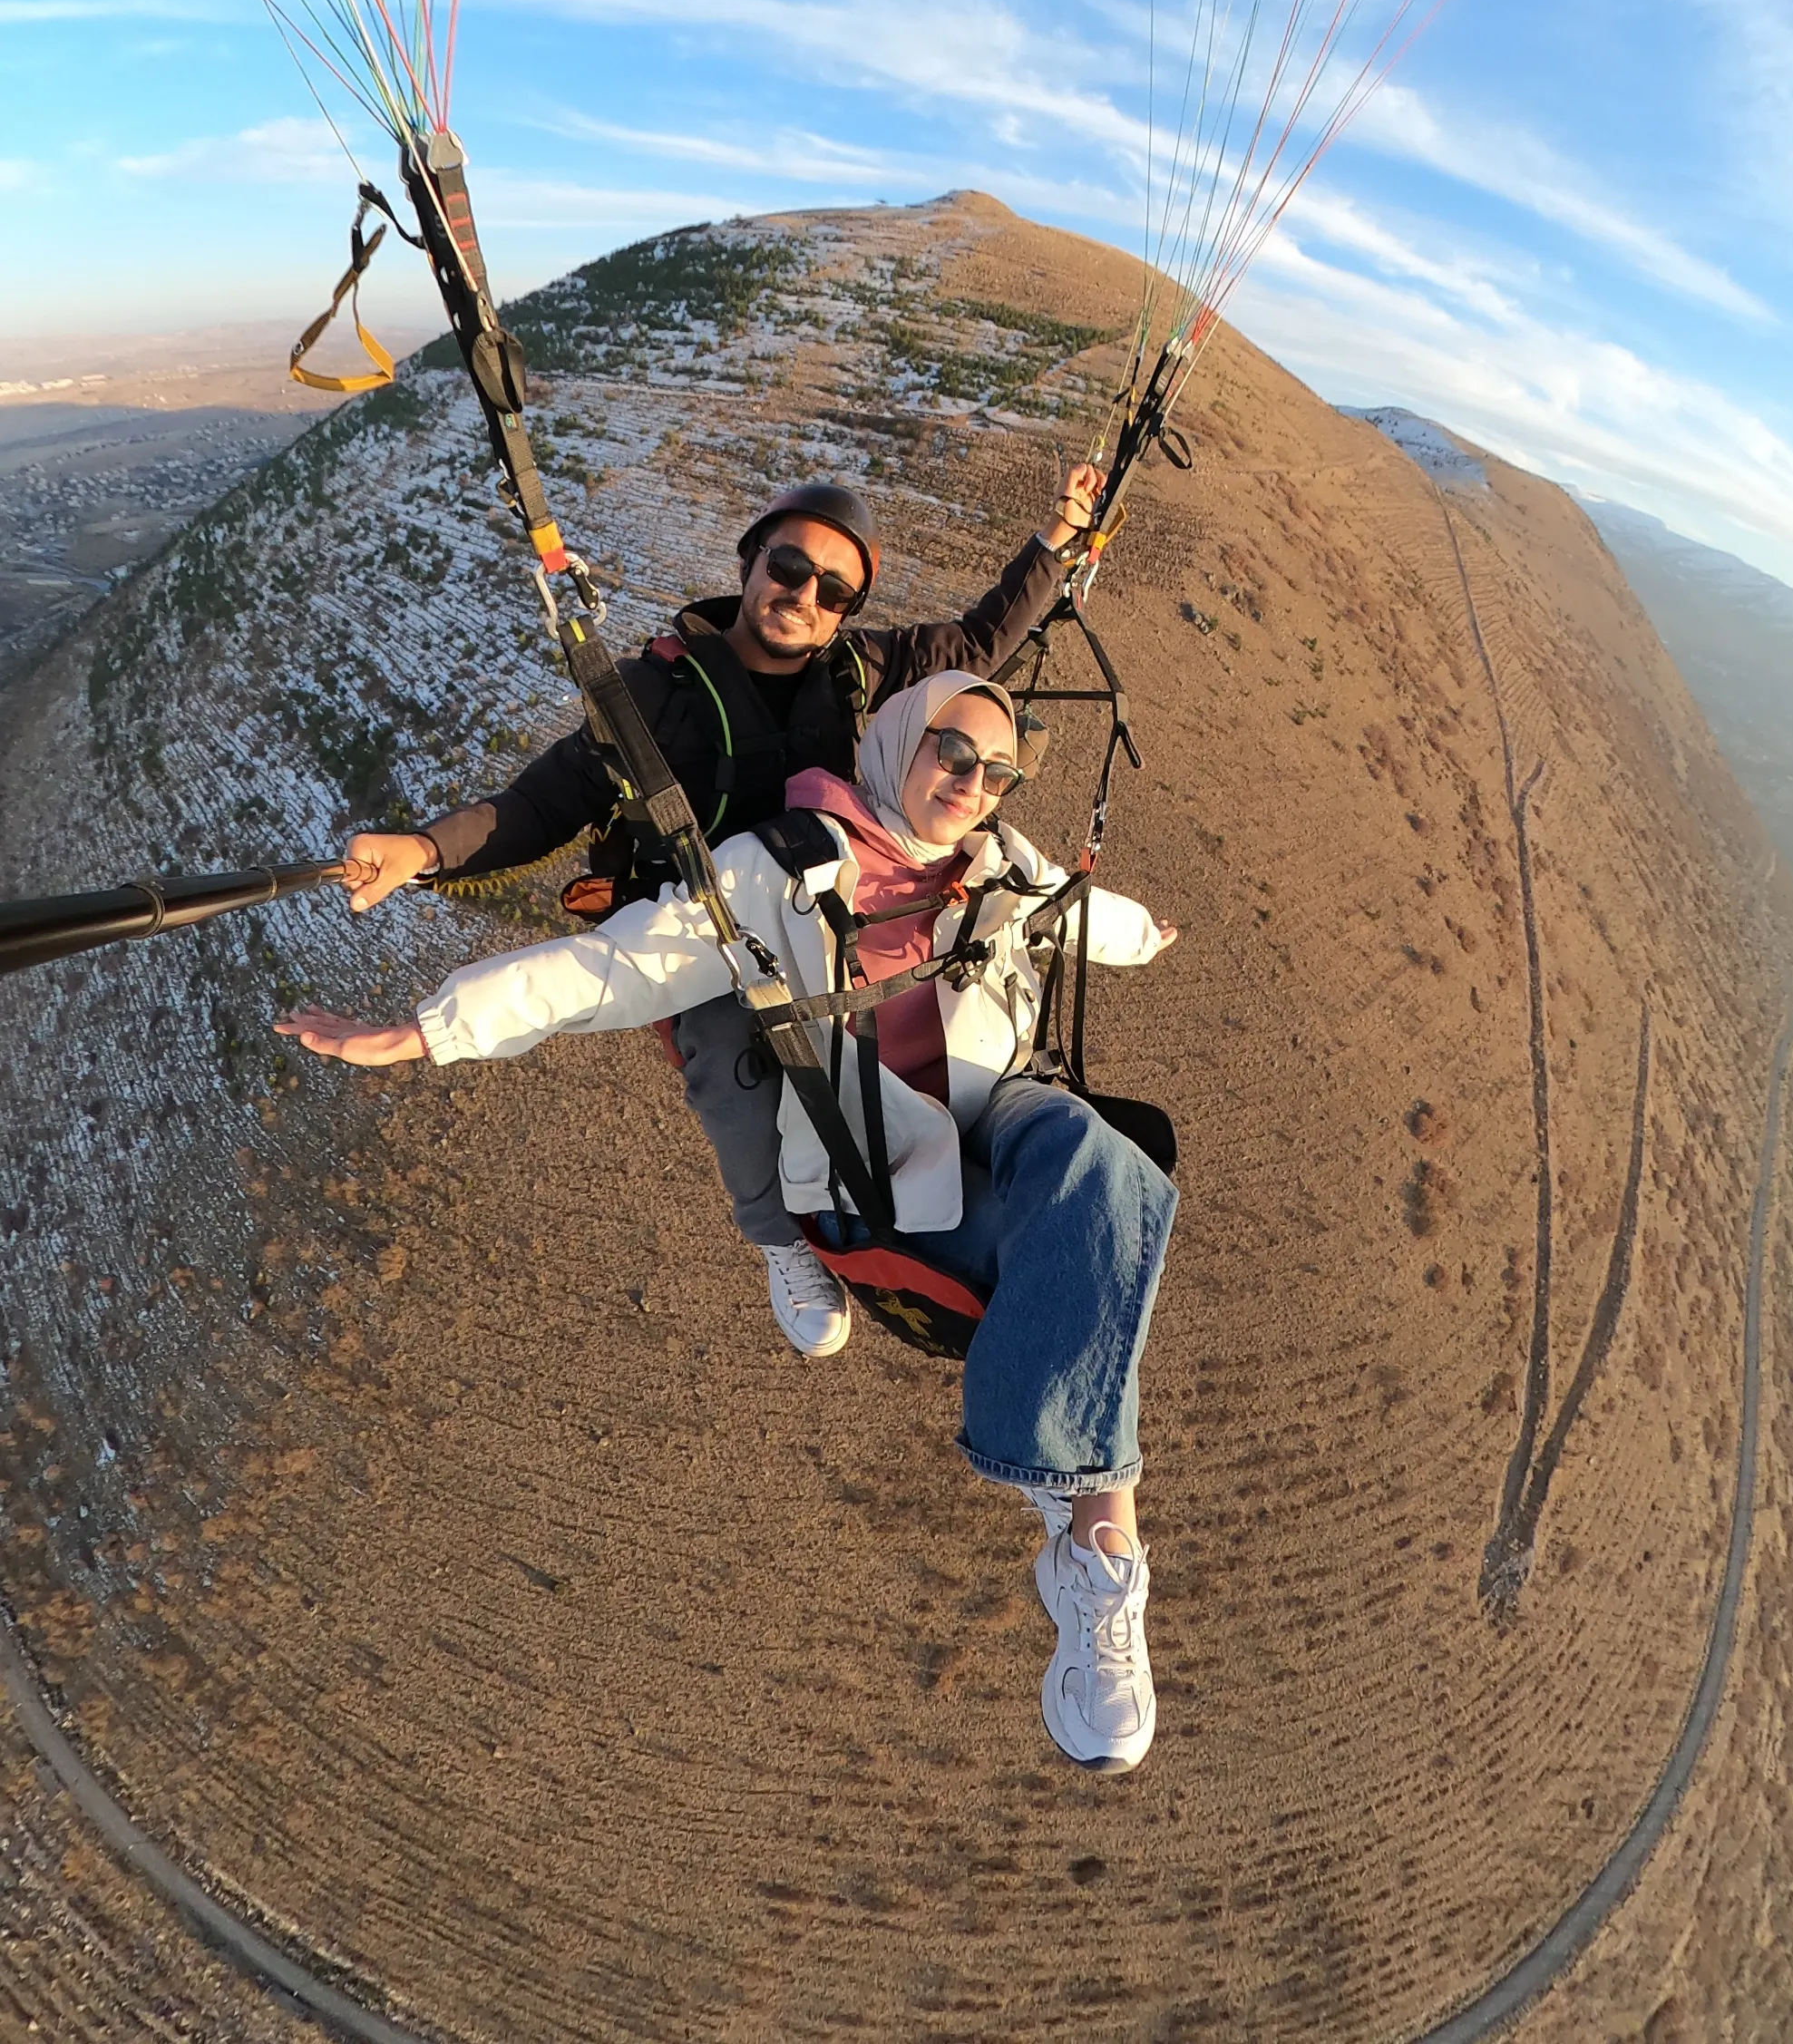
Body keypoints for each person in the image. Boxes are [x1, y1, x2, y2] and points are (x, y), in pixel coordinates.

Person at [279, 671, 1180, 1774]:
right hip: (880, 1166)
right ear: (899, 736)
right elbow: (610, 969)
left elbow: (1089, 916)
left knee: (1111, 1165)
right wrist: (424, 1030)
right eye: (952, 751)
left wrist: (1151, 935)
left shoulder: (1003, 864)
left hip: (1004, 1111)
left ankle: (1081, 1537)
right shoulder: (786, 868)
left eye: (998, 771)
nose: (972, 783)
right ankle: (1095, 1543)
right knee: (1092, 1261)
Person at [337, 466, 1103, 1363]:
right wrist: (423, 851)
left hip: (821, 909)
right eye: (788, 565)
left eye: (833, 589)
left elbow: (980, 642)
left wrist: (1054, 544)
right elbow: (541, 804)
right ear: (751, 559)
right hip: (701, 925)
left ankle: (950, 1164)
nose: (803, 595)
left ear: (848, 609)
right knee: (730, 1052)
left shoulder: (864, 673)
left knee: (928, 993)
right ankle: (783, 1237)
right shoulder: (653, 696)